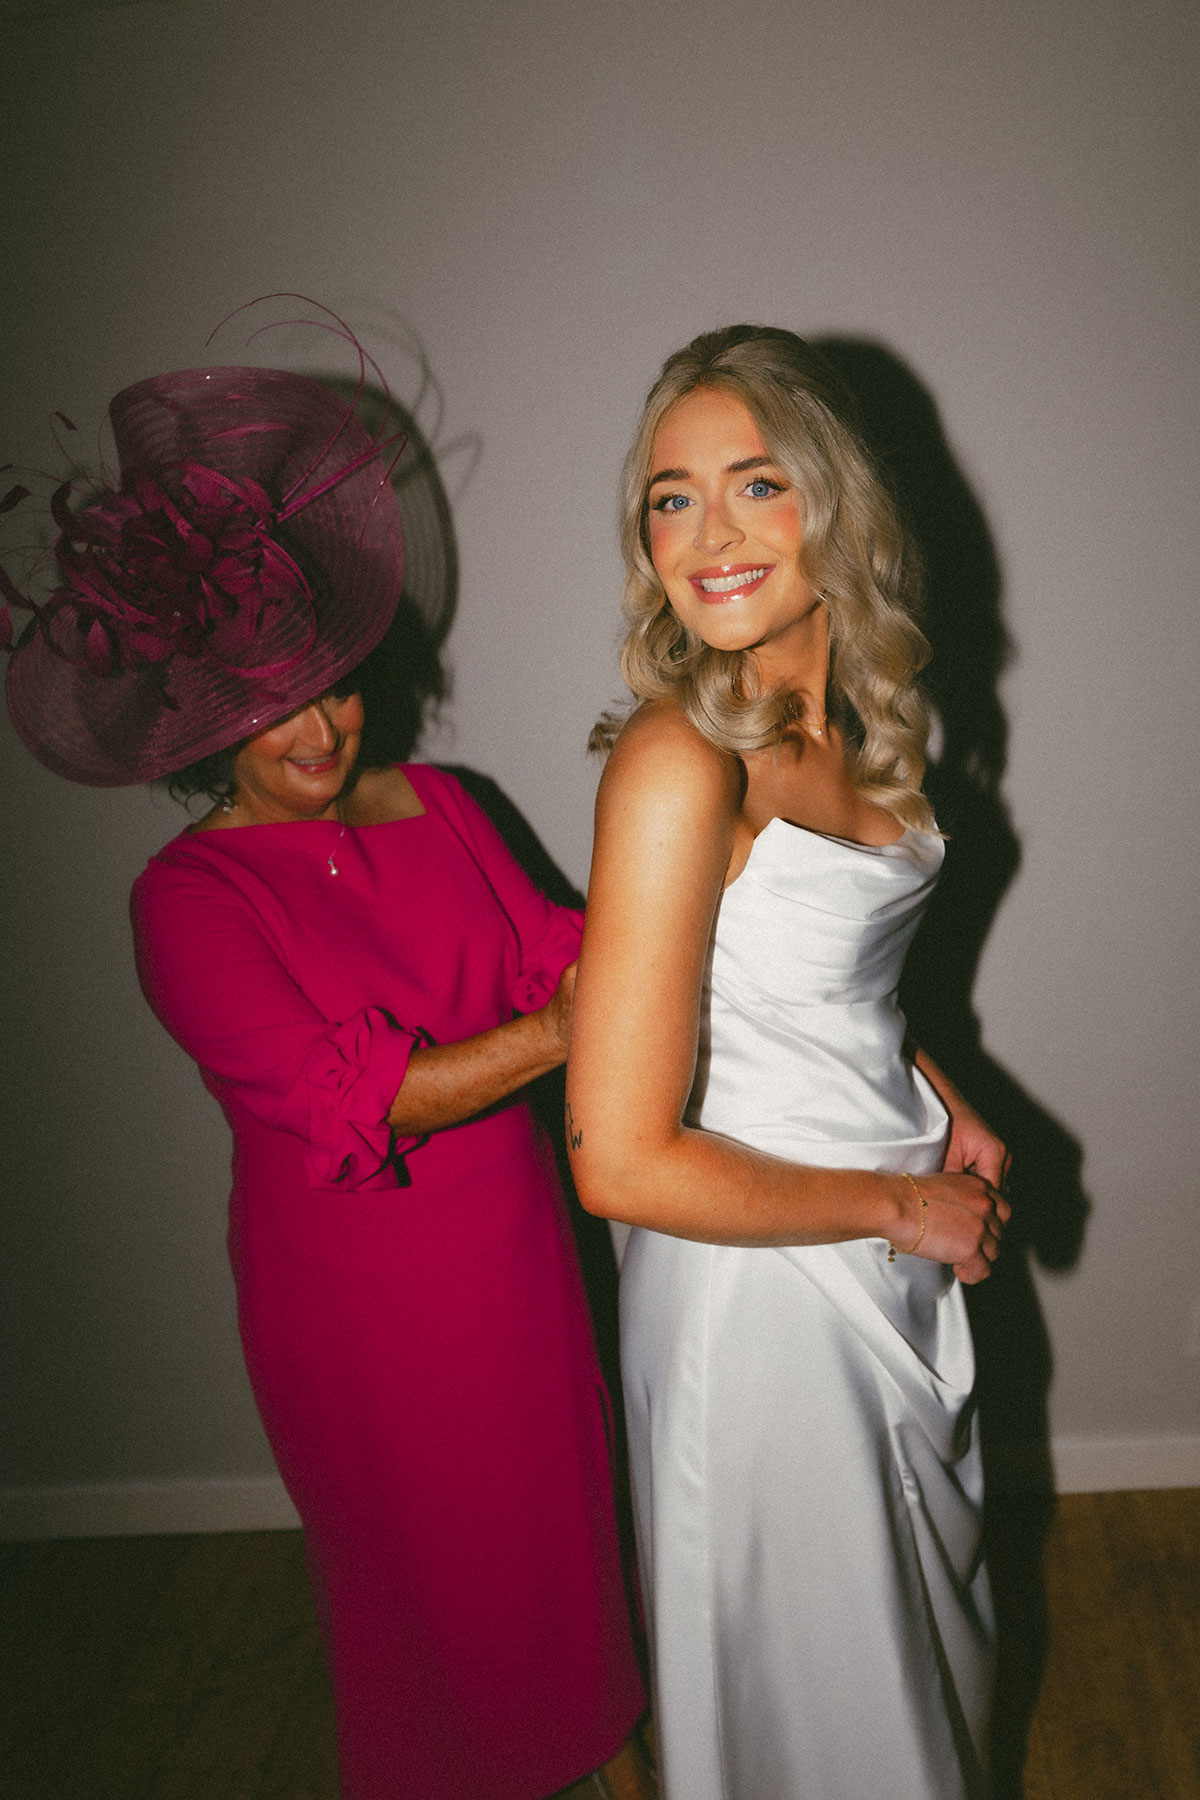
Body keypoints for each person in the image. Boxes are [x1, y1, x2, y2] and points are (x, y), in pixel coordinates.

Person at [3, 350, 651, 1799]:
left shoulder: (449, 803)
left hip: (517, 1260)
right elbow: (352, 1098)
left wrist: (702, 864)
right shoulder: (186, 902)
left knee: (559, 1534)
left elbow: (568, 947)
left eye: (334, 689)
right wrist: (571, 1030)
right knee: (432, 1583)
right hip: (358, 1310)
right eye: (272, 708)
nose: (321, 730)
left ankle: (610, 1752)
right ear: (194, 716)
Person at [565, 325, 1011, 1800]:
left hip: (869, 1232)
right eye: (670, 497)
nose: (708, 533)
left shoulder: (870, 721)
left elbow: (808, 971)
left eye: (754, 483)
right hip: (755, 1294)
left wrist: (938, 1096)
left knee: (907, 1655)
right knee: (821, 1689)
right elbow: (618, 1158)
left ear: (835, 501)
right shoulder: (678, 761)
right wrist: (893, 1206)